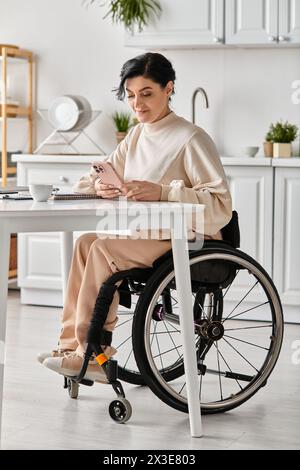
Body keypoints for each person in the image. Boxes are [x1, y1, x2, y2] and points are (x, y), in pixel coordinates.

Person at [39, 52, 232, 382]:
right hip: (149, 235)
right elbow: (97, 174)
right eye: (130, 96)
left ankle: (92, 353)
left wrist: (162, 191)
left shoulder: (191, 138)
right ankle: (69, 345)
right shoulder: (138, 135)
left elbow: (220, 204)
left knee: (102, 250)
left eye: (146, 94)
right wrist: (102, 186)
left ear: (168, 88)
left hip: (188, 237)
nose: (137, 104)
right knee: (87, 243)